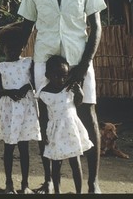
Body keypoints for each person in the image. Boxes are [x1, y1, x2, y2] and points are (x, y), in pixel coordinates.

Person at [18, 0, 107, 194]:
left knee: (87, 114)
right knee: (45, 118)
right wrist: (13, 59)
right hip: (45, 63)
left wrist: (83, 67)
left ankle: (93, 183)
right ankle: (48, 180)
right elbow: (26, 27)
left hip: (79, 61)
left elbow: (96, 28)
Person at [0, 25, 41, 194]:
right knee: (9, 148)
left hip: (26, 110)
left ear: (22, 47)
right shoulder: (1, 67)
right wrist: (9, 92)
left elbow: (35, 83)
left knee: (24, 148)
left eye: (16, 47)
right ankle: (8, 183)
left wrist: (26, 88)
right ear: (3, 48)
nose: (12, 51)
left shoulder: (28, 62)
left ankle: (25, 184)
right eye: (8, 47)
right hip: (9, 110)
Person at [38, 55, 92, 194]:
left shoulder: (69, 88)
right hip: (55, 132)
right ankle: (57, 191)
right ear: (48, 75)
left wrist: (79, 93)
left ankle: (79, 192)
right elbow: (43, 117)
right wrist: (43, 134)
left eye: (65, 76)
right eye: (57, 76)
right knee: (56, 163)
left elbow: (77, 103)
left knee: (75, 162)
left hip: (71, 129)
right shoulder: (44, 94)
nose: (61, 79)